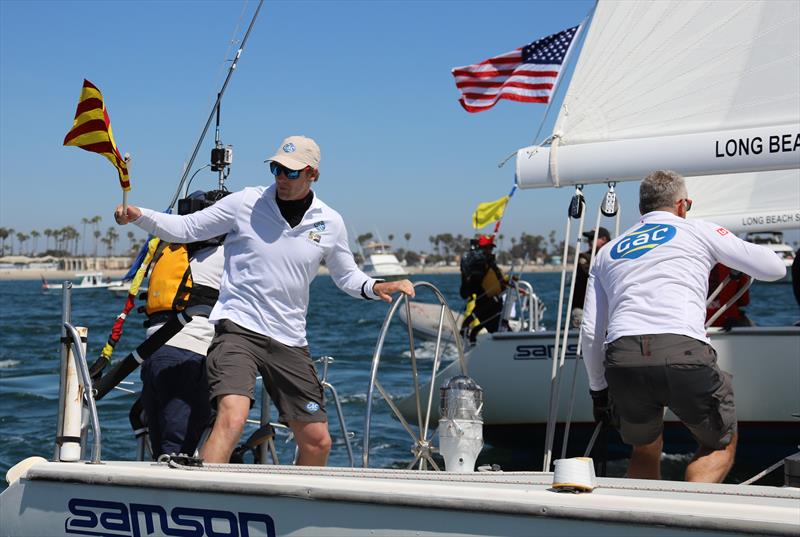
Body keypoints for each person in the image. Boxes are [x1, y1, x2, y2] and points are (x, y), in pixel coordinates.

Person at [115, 135, 414, 466]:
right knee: (233, 417)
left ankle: (299, 507)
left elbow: (347, 276)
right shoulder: (246, 202)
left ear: (313, 174)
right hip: (238, 330)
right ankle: (205, 499)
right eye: (276, 169)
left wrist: (376, 286)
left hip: (289, 340)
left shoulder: (330, 222)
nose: (281, 178)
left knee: (318, 441)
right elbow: (186, 228)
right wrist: (139, 214)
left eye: (291, 172)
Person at [581, 170, 785, 482]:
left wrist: (598, 391)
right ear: (682, 205)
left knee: (645, 447)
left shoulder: (608, 252)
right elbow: (774, 268)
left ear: (642, 209)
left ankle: (645, 526)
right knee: (720, 443)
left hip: (622, 358)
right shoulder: (699, 231)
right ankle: (688, 518)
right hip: (682, 350)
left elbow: (592, 331)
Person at [140, 241, 223, 458]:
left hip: (153, 351)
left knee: (163, 447)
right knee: (180, 446)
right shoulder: (226, 253)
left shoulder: (172, 251)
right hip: (189, 351)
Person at [459, 235, 507, 342]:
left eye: (491, 248)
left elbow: (500, 281)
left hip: (494, 305)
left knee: (494, 329)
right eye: (487, 248)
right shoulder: (479, 266)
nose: (490, 250)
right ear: (480, 249)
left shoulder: (489, 264)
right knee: (494, 330)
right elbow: (469, 289)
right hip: (487, 306)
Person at [571, 227, 611, 327]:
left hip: (605, 308)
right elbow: (588, 274)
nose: (589, 241)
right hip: (582, 306)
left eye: (592, 238)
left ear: (604, 239)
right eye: (588, 239)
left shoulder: (611, 256)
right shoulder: (584, 257)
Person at [706, 264, 752, 328]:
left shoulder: (692, 265)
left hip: (698, 322)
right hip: (728, 322)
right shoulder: (737, 265)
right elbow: (744, 301)